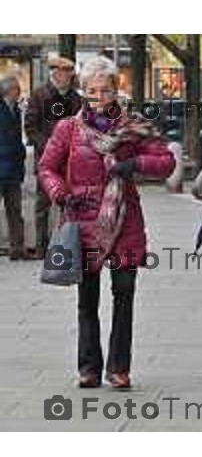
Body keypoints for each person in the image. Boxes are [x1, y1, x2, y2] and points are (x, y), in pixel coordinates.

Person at [38, 56, 175, 389]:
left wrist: (135, 163)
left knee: (123, 296)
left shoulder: (134, 125)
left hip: (124, 223)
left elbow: (166, 161)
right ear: (83, 92)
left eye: (105, 89)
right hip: (83, 224)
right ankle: (88, 368)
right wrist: (59, 193)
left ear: (116, 90)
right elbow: (47, 167)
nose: (98, 95)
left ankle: (118, 368)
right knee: (87, 300)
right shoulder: (68, 128)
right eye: (91, 90)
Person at [25, 56, 81, 259]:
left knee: (70, 205)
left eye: (70, 73)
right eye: (66, 72)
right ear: (56, 72)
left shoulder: (76, 98)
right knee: (43, 205)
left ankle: (66, 247)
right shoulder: (39, 95)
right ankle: (41, 248)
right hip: (46, 161)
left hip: (70, 161)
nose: (69, 76)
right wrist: (49, 146)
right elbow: (30, 127)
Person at [0, 76, 28, 260]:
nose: (19, 92)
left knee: (15, 210)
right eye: (17, 89)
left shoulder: (16, 110)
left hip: (13, 169)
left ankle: (17, 248)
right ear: (9, 91)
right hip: (2, 166)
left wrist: (21, 152)